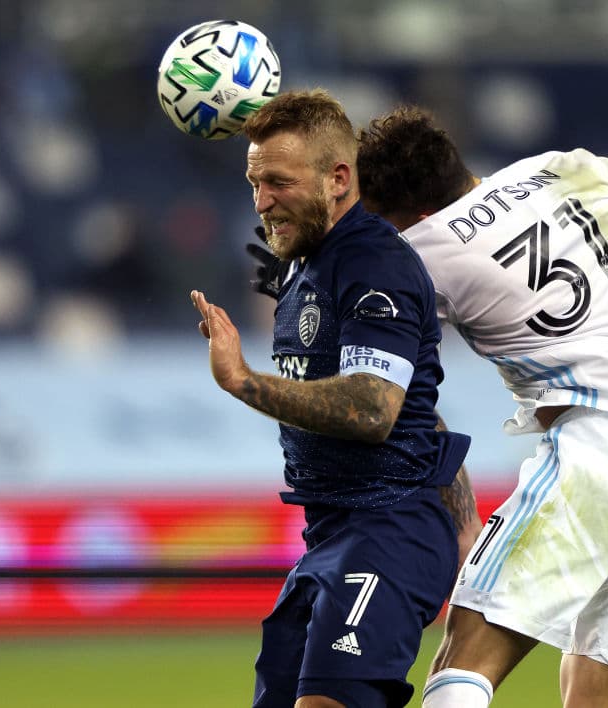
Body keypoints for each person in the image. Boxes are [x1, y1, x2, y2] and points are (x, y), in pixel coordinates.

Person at [250, 104, 608, 707]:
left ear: (411, 215)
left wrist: (312, 270)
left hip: (595, 451)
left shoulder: (414, 252)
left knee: (465, 661)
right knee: (600, 693)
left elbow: (375, 350)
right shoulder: (573, 169)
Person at [192, 90, 481, 708]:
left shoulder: (374, 262)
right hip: (330, 536)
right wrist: (464, 517)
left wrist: (243, 380)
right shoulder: (307, 262)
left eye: (278, 182)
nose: (262, 201)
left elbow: (375, 408)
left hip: (389, 530)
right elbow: (417, 401)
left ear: (339, 178)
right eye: (253, 181)